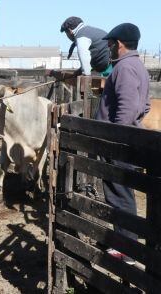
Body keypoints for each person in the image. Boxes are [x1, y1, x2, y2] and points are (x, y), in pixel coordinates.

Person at [95, 23, 150, 265]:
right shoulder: (138, 66)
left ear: (119, 44)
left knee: (120, 194)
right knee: (121, 192)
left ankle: (126, 249)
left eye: (109, 44)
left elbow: (127, 107)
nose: (108, 49)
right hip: (125, 139)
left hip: (118, 142)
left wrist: (114, 134)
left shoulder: (125, 68)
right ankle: (123, 241)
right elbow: (143, 106)